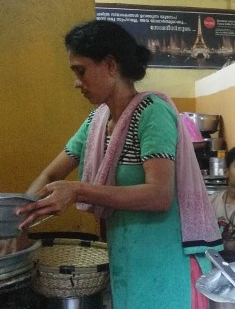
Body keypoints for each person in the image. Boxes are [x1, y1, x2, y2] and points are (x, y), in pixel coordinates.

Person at [15, 20, 222, 309]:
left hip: (167, 263)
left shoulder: (152, 113)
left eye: (81, 70)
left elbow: (159, 195)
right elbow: (51, 173)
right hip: (129, 261)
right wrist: (20, 221)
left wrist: (78, 191)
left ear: (110, 65)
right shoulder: (97, 122)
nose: (77, 82)